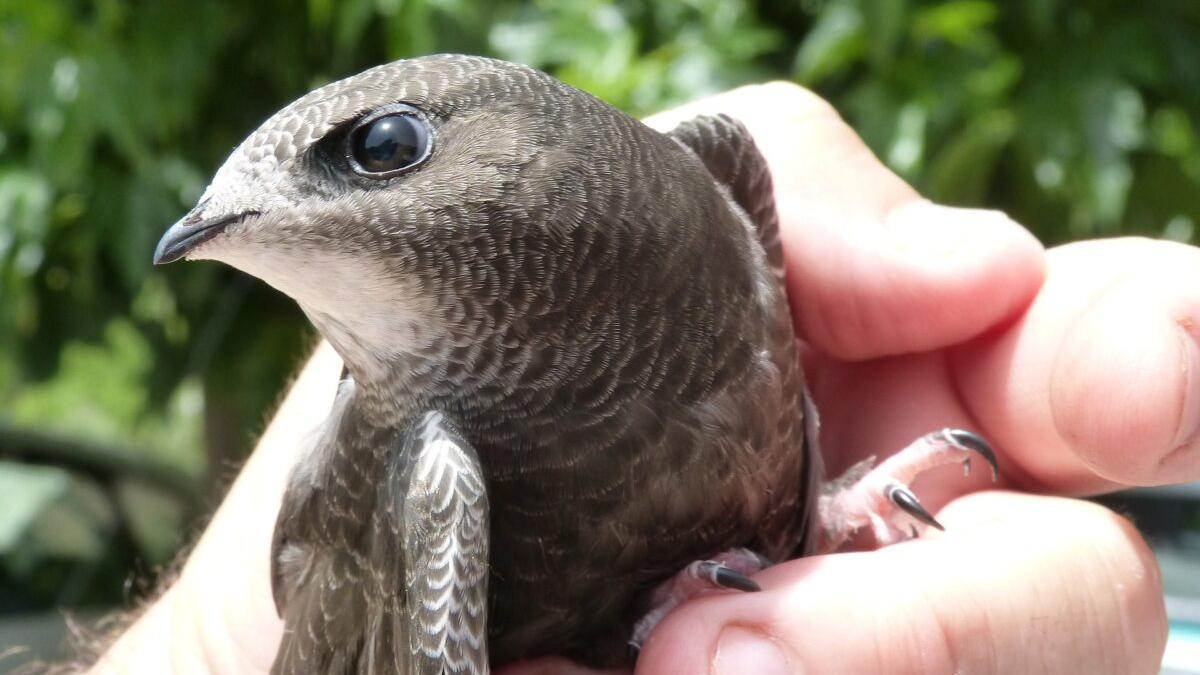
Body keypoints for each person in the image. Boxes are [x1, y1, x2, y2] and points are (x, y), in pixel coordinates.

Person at [91, 81, 1181, 674]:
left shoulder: (720, 174)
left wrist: (823, 517)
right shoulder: (430, 467)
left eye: (380, 147)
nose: (265, 225)